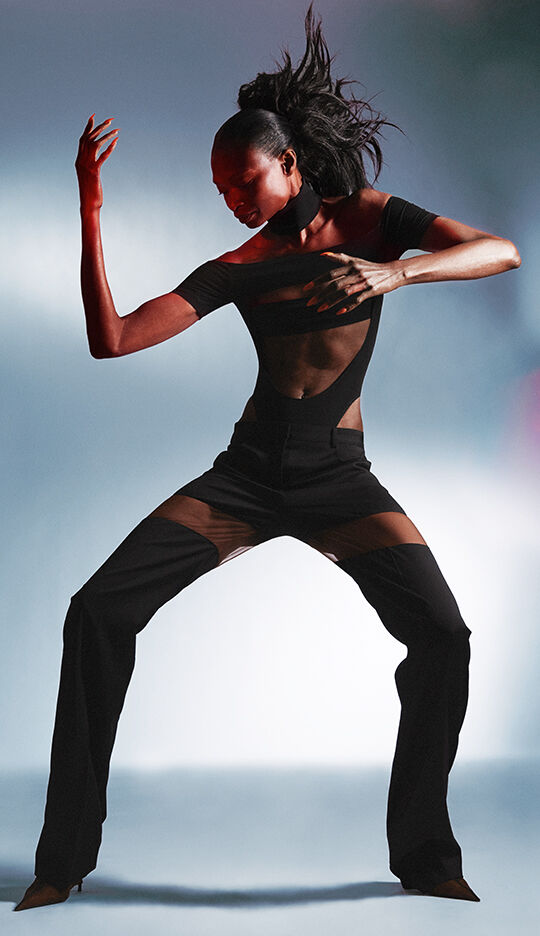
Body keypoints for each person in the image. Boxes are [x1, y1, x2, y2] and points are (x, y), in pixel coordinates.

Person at [15, 2, 520, 912]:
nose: (233, 200)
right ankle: (62, 860)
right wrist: (90, 211)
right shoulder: (239, 266)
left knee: (443, 637)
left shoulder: (373, 220)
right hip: (246, 480)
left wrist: (398, 270)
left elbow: (502, 250)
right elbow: (113, 339)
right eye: (220, 191)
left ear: (288, 162)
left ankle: (425, 856)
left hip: (340, 481)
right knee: (96, 612)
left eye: (242, 181)